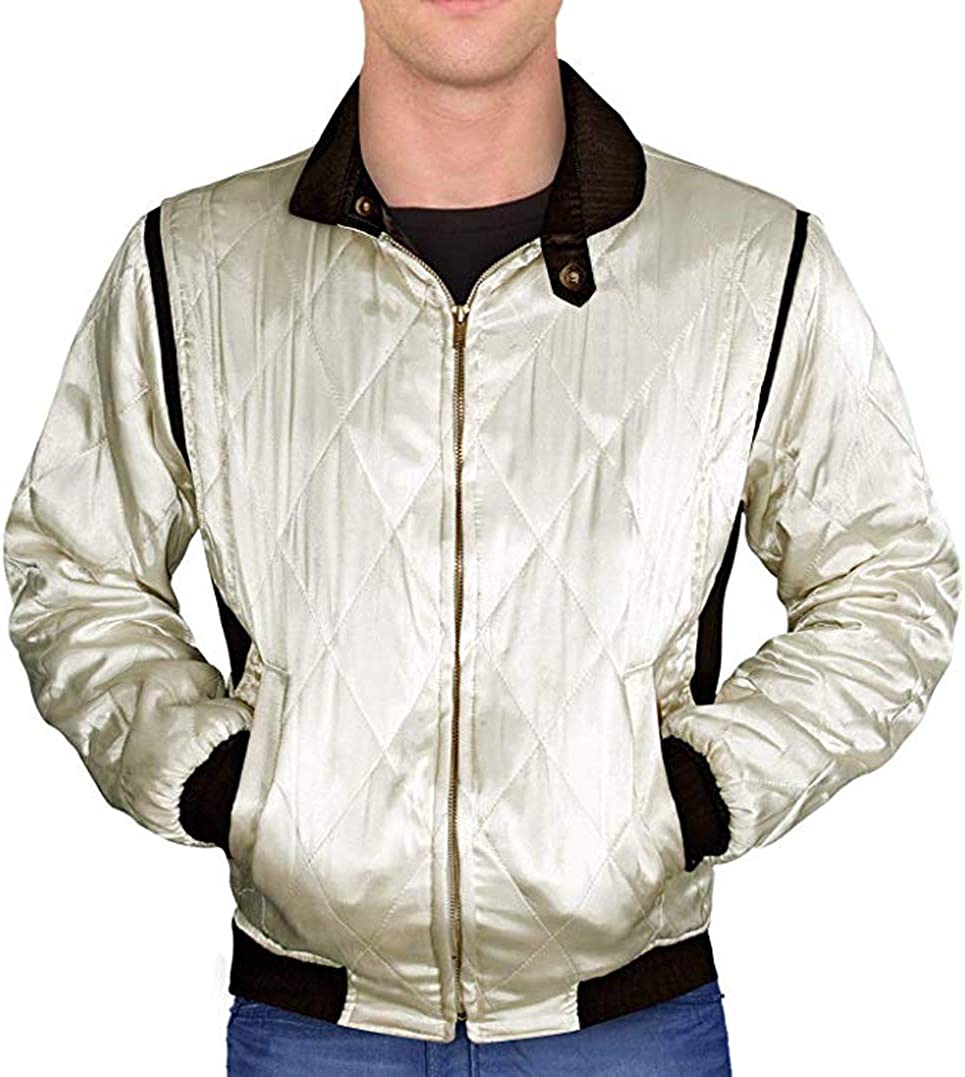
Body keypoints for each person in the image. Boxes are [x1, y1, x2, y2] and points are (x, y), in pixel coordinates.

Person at [4, 0, 960, 1073]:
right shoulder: (190, 265)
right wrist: (218, 777)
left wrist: (697, 792)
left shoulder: (749, 260)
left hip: (626, 1026)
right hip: (315, 1025)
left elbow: (887, 580)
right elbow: (72, 564)